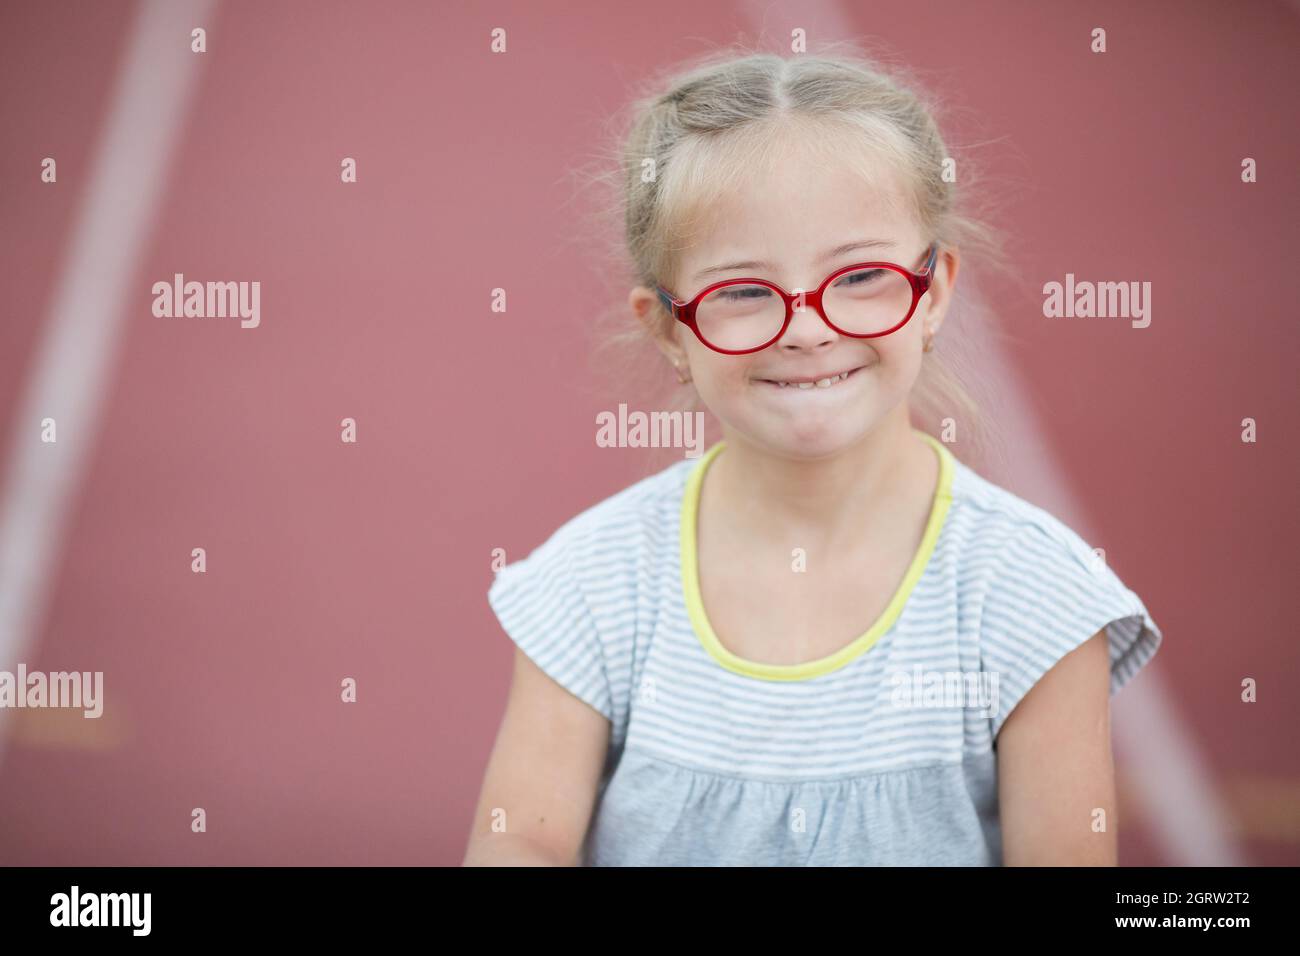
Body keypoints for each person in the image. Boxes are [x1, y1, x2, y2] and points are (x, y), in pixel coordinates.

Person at [463, 50, 1162, 866]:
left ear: (932, 295)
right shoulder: (594, 584)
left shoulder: (1031, 596)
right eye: (745, 291)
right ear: (668, 331)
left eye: (860, 275)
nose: (806, 329)